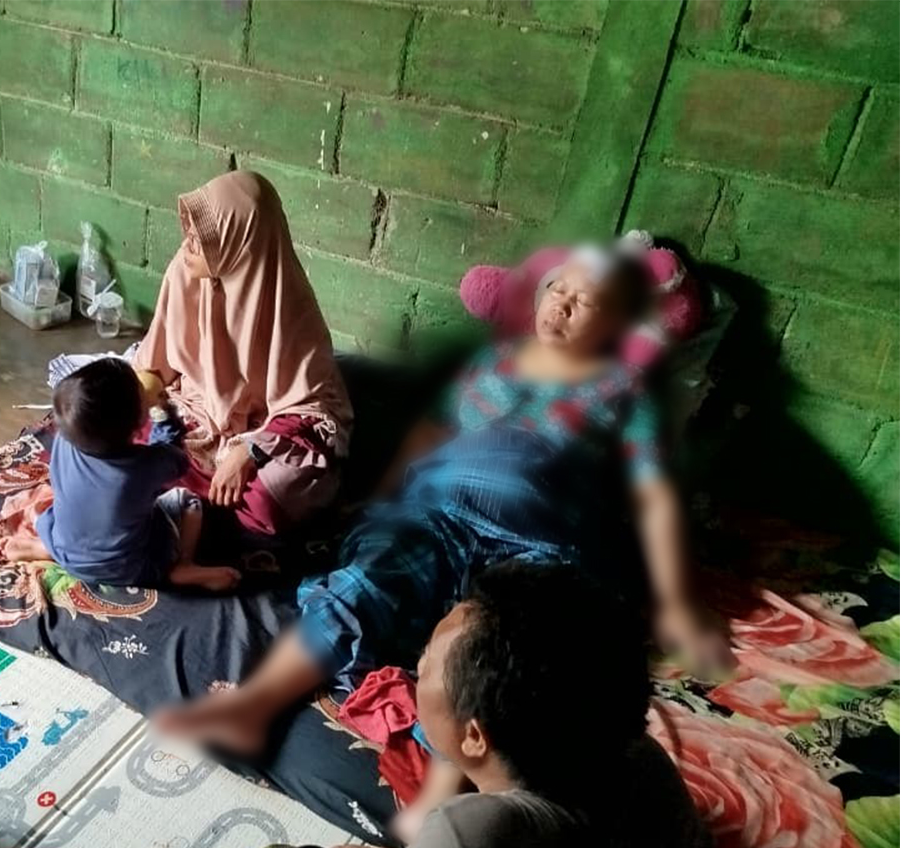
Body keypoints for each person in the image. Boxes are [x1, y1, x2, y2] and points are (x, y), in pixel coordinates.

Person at [156, 243, 734, 754]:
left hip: (538, 542)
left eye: (584, 301)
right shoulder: (495, 365)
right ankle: (253, 706)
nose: (561, 304)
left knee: (508, 646)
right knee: (361, 585)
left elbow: (654, 496)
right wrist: (382, 500)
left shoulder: (624, 393)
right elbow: (431, 434)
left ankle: (462, 756)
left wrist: (675, 602)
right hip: (437, 516)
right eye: (557, 288)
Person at [242, 563, 725, 848]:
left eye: (424, 667)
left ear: (474, 737)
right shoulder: (635, 750)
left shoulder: (466, 836)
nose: (413, 670)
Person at [134, 171, 353, 538]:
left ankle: (184, 505)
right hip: (197, 410)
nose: (189, 243)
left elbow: (309, 408)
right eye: (191, 231)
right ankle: (198, 508)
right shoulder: (184, 272)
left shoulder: (290, 308)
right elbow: (154, 366)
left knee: (279, 493)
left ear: (242, 242)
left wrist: (249, 452)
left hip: (267, 424)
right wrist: (140, 403)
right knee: (116, 434)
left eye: (204, 236)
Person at [3, 358, 240, 591]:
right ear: (138, 425)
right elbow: (175, 456)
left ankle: (46, 549)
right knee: (188, 501)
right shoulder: (140, 470)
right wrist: (161, 412)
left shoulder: (66, 437)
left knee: (64, 514)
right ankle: (183, 565)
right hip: (129, 568)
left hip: (65, 547)